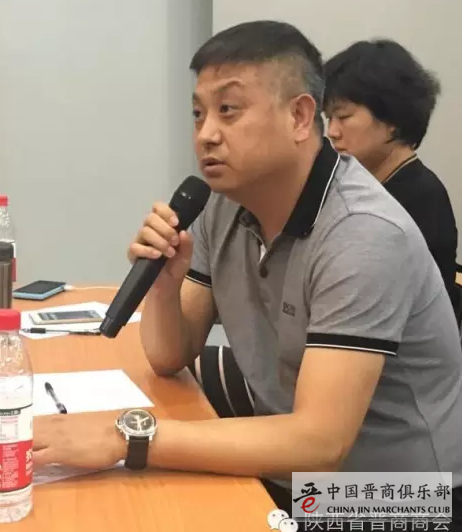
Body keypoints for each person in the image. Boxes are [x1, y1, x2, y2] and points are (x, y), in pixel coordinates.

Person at [32, 21, 462, 525]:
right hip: (295, 464)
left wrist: (127, 436)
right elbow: (170, 355)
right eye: (198, 113)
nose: (206, 134)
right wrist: (166, 285)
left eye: (229, 110)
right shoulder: (223, 204)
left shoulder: (364, 232)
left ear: (300, 116)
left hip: (397, 493)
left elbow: (319, 444)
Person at [324, 39, 460, 324]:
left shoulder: (420, 196)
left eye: (343, 116)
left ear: (392, 120)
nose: (332, 131)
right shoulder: (365, 184)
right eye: (329, 118)